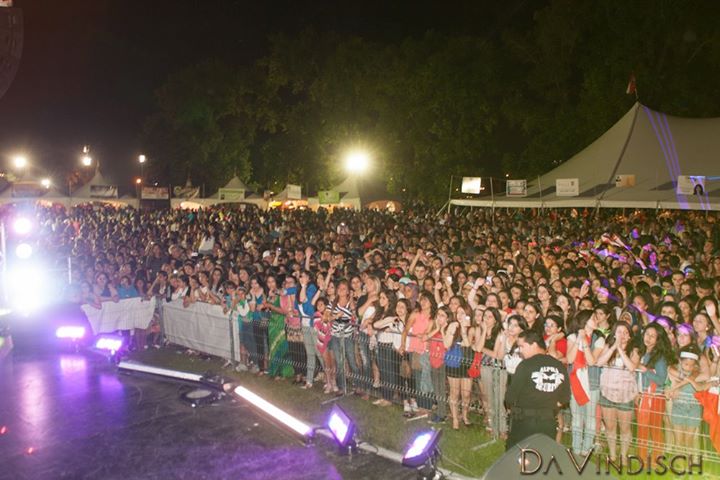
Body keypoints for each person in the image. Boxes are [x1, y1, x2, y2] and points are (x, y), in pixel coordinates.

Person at [504, 330, 570, 450]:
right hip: (548, 422)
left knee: (517, 457)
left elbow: (510, 397)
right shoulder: (559, 366)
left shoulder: (525, 365)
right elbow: (565, 398)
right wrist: (549, 406)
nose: (520, 350)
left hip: (524, 422)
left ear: (534, 344)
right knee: (542, 458)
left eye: (522, 346)